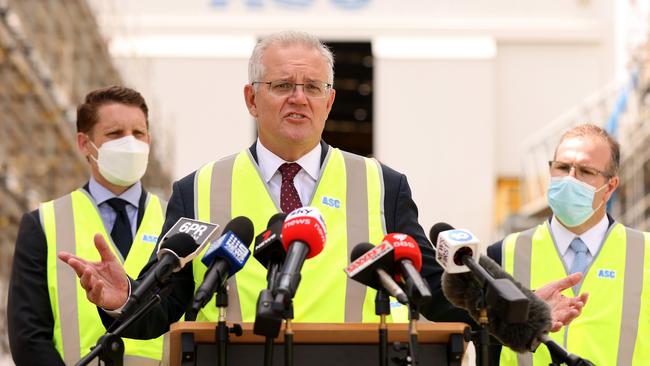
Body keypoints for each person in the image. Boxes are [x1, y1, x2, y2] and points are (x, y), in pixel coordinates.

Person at [58, 31, 586, 348]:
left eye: (312, 87)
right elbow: (166, 308)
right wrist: (123, 298)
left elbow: (429, 291)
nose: (298, 99)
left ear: (330, 101)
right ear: (251, 98)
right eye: (282, 85)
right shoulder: (198, 189)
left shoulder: (384, 186)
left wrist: (509, 310)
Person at [7, 86, 166, 366]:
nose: (130, 144)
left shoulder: (175, 221)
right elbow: (29, 337)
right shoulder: (43, 224)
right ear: (84, 143)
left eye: (138, 134)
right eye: (115, 134)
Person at [487, 124, 649, 365]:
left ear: (611, 187)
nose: (570, 179)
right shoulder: (503, 253)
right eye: (562, 168)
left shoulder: (645, 252)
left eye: (585, 171)